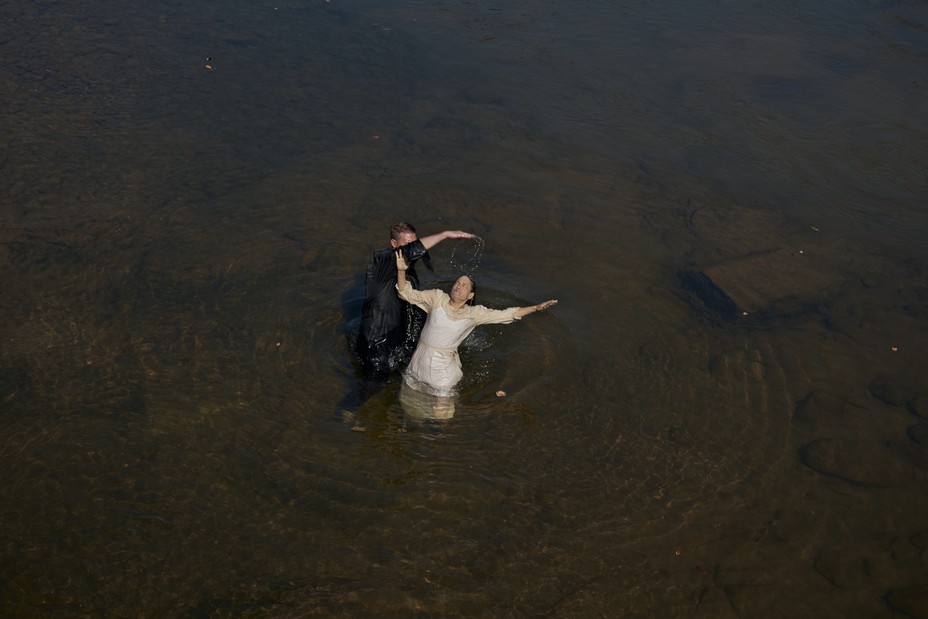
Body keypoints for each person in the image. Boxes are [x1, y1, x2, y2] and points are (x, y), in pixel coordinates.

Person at [395, 250, 557, 397]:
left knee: (442, 417)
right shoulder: (436, 297)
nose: (459, 286)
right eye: (458, 283)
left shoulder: (475, 313)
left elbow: (508, 314)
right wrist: (401, 271)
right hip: (418, 364)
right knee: (410, 405)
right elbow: (405, 293)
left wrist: (535, 308)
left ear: (470, 295)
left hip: (442, 372)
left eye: (464, 285)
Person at [354, 222, 476, 382]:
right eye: (408, 244)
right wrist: (444, 234)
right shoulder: (381, 262)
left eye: (415, 242)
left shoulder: (408, 269)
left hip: (396, 338)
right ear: (394, 244)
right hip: (376, 342)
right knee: (373, 390)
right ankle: (350, 407)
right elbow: (411, 251)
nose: (414, 251)